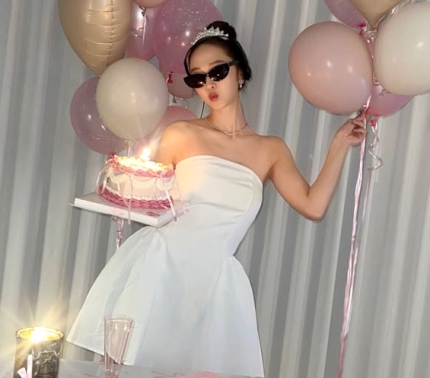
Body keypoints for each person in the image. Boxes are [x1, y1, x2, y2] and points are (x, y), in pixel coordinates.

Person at [67, 21, 365, 378]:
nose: (208, 83)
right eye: (197, 77)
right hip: (159, 271)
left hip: (213, 284)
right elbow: (147, 194)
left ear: (240, 73)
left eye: (218, 71)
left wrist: (338, 146)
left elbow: (313, 206)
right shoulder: (180, 134)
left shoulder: (270, 149)